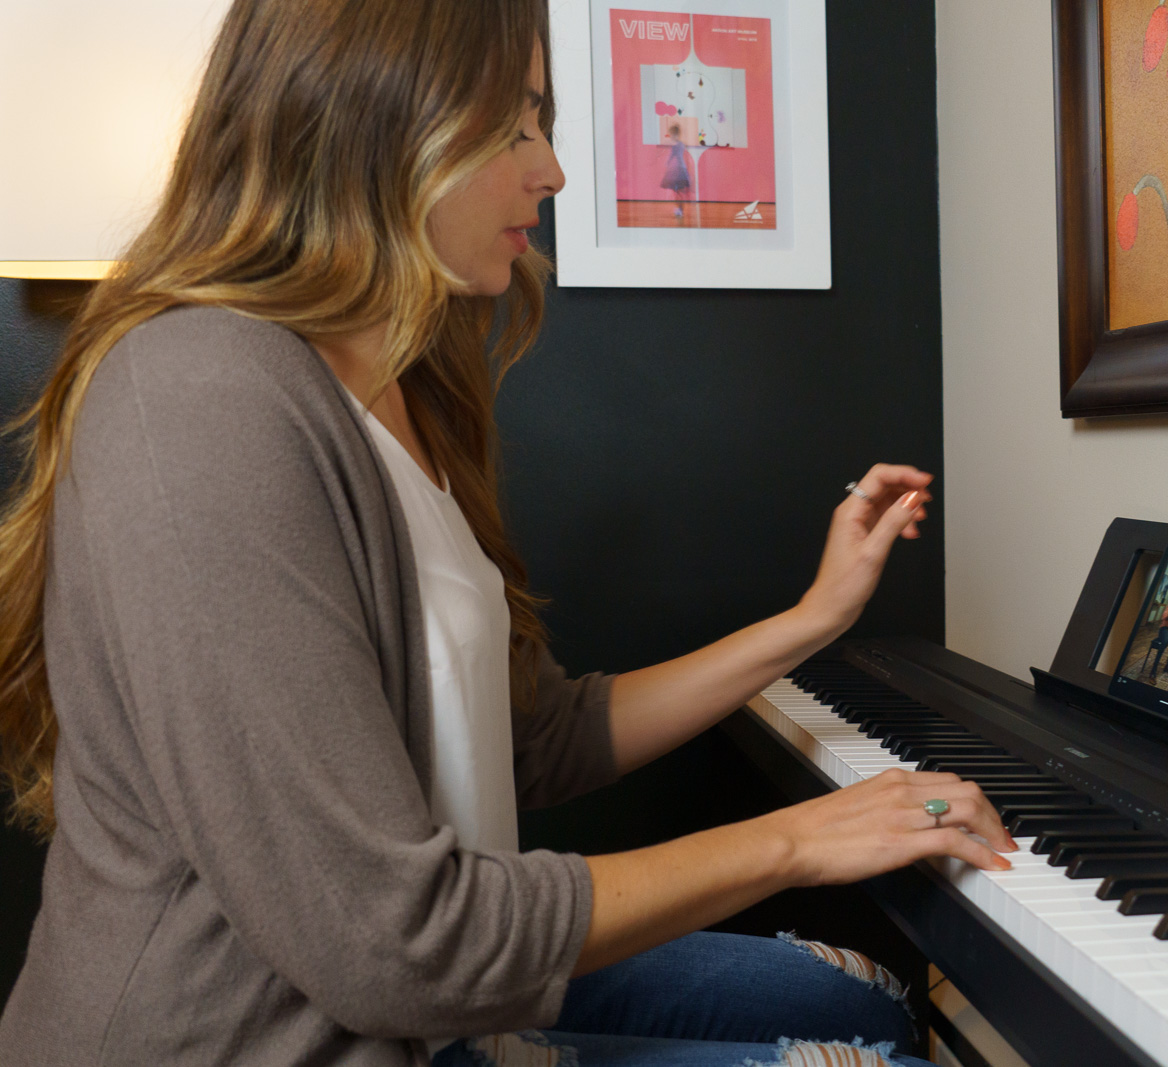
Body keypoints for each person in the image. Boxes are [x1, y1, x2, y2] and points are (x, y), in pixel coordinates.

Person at [0, 1, 1014, 1064]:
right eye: (515, 124)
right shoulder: (200, 396)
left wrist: (812, 618)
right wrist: (799, 839)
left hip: (437, 998)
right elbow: (391, 941)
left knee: (871, 1002)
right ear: (374, 119)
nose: (554, 172)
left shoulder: (405, 392)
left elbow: (532, 738)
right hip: (253, 1034)